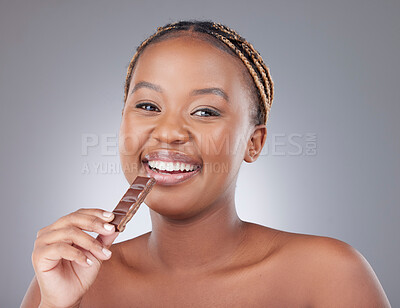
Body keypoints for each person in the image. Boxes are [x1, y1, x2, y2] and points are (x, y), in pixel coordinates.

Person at [21, 20, 391, 307]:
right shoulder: (72, 277)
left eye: (205, 111)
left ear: (253, 142)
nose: (168, 132)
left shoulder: (328, 274)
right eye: (148, 106)